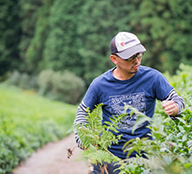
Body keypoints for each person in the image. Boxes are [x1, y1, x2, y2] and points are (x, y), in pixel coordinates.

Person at [74, 31, 185, 174]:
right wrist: (82, 138)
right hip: (109, 159)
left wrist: (175, 108)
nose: (137, 61)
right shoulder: (100, 85)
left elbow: (177, 100)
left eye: (139, 55)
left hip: (144, 158)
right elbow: (83, 113)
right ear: (114, 59)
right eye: (130, 58)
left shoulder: (153, 78)